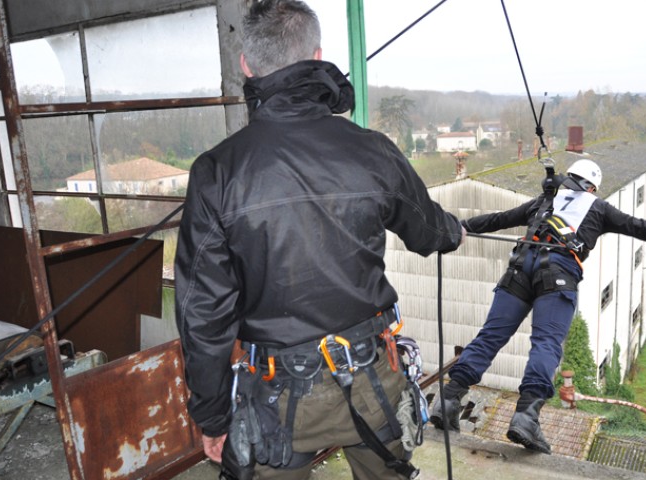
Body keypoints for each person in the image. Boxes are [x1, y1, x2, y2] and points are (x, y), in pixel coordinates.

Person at [175, 1, 464, 478]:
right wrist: (455, 229)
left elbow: (203, 313)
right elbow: (430, 232)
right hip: (374, 383)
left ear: (246, 66)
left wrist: (211, 416)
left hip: (275, 400)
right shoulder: (372, 150)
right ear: (317, 54)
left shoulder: (217, 172)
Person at [429, 158, 646, 454]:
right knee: (546, 343)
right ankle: (525, 417)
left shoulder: (542, 203)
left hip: (518, 270)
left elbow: (497, 219)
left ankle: (449, 400)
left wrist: (458, 228)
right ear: (592, 187)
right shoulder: (598, 209)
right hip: (557, 277)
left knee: (489, 337)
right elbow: (645, 228)